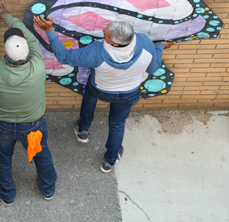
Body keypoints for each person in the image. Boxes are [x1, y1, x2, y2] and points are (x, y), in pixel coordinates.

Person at [34, 16, 175, 173]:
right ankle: (109, 161)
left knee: (89, 95)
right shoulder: (144, 42)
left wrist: (49, 30)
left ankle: (83, 130)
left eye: (106, 34)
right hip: (129, 93)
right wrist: (160, 46)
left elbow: (65, 57)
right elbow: (152, 69)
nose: (102, 31)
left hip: (101, 89)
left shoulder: (97, 51)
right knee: (117, 124)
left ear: (115, 43)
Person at [0, 1, 57, 205]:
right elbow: (29, 37)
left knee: (3, 160)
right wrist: (8, 16)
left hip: (3, 126)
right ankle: (48, 189)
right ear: (28, 54)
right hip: (34, 125)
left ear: (6, 54)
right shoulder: (38, 65)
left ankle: (7, 195)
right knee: (42, 155)